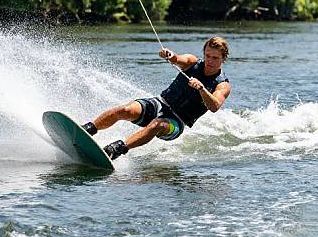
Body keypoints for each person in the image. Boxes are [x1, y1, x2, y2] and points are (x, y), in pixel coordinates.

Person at [81, 36, 231, 160]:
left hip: (176, 123)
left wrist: (202, 89)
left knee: (157, 125)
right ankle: (88, 130)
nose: (210, 61)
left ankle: (117, 149)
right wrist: (171, 56)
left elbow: (214, 106)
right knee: (125, 109)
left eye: (215, 58)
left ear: (223, 59)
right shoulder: (193, 62)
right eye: (207, 56)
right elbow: (178, 59)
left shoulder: (222, 85)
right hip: (159, 104)